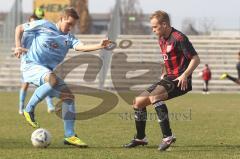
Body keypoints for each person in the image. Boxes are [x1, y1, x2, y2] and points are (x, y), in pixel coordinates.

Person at [14, 7, 112, 147]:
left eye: (73, 25)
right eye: (69, 24)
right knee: (53, 79)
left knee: (69, 98)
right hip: (31, 65)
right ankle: (28, 109)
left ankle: (69, 136)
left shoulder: (69, 39)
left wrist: (99, 46)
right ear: (61, 19)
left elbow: (81, 47)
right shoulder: (44, 25)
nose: (70, 28)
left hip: (46, 71)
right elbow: (19, 28)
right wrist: (18, 46)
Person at [124, 10, 200, 151]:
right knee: (137, 102)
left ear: (164, 24)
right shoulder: (161, 38)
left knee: (154, 97)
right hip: (168, 78)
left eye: (155, 27)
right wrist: (163, 73)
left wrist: (185, 75)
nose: (153, 30)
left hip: (180, 79)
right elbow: (166, 59)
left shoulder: (179, 38)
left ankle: (168, 137)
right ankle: (141, 138)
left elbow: (196, 59)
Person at [19, 9, 54, 115]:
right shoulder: (25, 33)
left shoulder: (40, 32)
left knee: (45, 82)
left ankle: (50, 105)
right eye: (32, 21)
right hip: (27, 62)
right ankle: (21, 107)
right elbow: (21, 47)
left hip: (39, 60)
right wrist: (19, 49)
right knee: (25, 84)